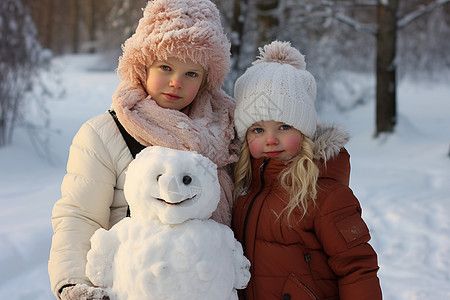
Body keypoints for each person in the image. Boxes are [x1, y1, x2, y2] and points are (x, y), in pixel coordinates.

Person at [48, 0, 239, 299]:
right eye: (166, 67)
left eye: (191, 74)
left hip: (206, 285)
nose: (176, 82)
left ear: (205, 81)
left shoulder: (224, 133)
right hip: (132, 288)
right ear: (143, 65)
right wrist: (73, 282)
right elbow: (80, 216)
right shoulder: (104, 134)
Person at [232, 41, 382, 300]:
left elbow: (357, 267)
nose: (270, 139)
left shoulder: (324, 194)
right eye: (258, 129)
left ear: (304, 131)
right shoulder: (240, 187)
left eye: (284, 127)